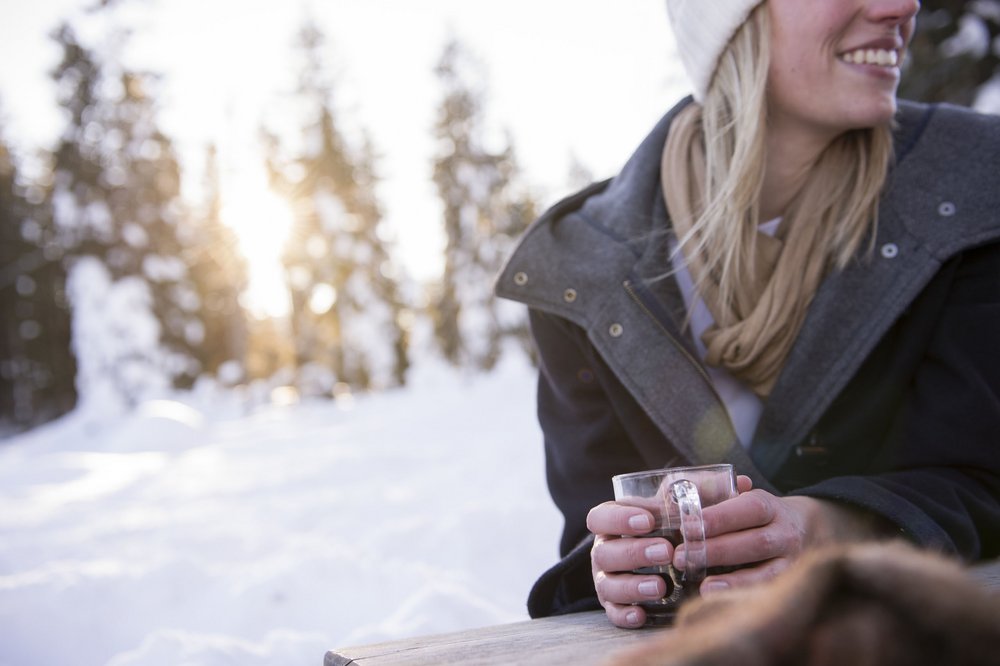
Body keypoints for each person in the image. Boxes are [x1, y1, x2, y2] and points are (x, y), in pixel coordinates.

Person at [495, 0, 1000, 629]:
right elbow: (588, 543)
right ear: (730, 20)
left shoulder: (976, 195)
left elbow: (985, 484)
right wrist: (621, 568)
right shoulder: (584, 268)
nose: (901, 7)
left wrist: (834, 526)